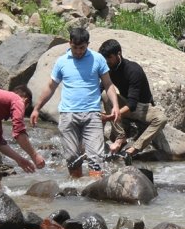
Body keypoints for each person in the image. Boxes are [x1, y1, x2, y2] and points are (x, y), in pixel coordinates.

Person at [30, 28, 120, 177]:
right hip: (68, 115)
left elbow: (108, 84)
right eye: (75, 47)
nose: (78, 51)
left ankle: (94, 193)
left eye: (82, 48)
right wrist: (37, 108)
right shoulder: (61, 61)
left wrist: (115, 106)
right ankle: (76, 193)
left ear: (88, 44)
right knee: (72, 159)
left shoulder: (97, 59)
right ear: (70, 43)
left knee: (96, 159)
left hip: (92, 115)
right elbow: (51, 86)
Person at [97, 39, 168, 158]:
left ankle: (135, 148)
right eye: (104, 58)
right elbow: (100, 89)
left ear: (118, 54)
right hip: (125, 103)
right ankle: (121, 137)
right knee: (105, 95)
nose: (106, 61)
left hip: (142, 108)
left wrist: (109, 117)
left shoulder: (133, 70)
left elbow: (132, 104)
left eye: (109, 57)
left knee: (161, 119)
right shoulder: (108, 68)